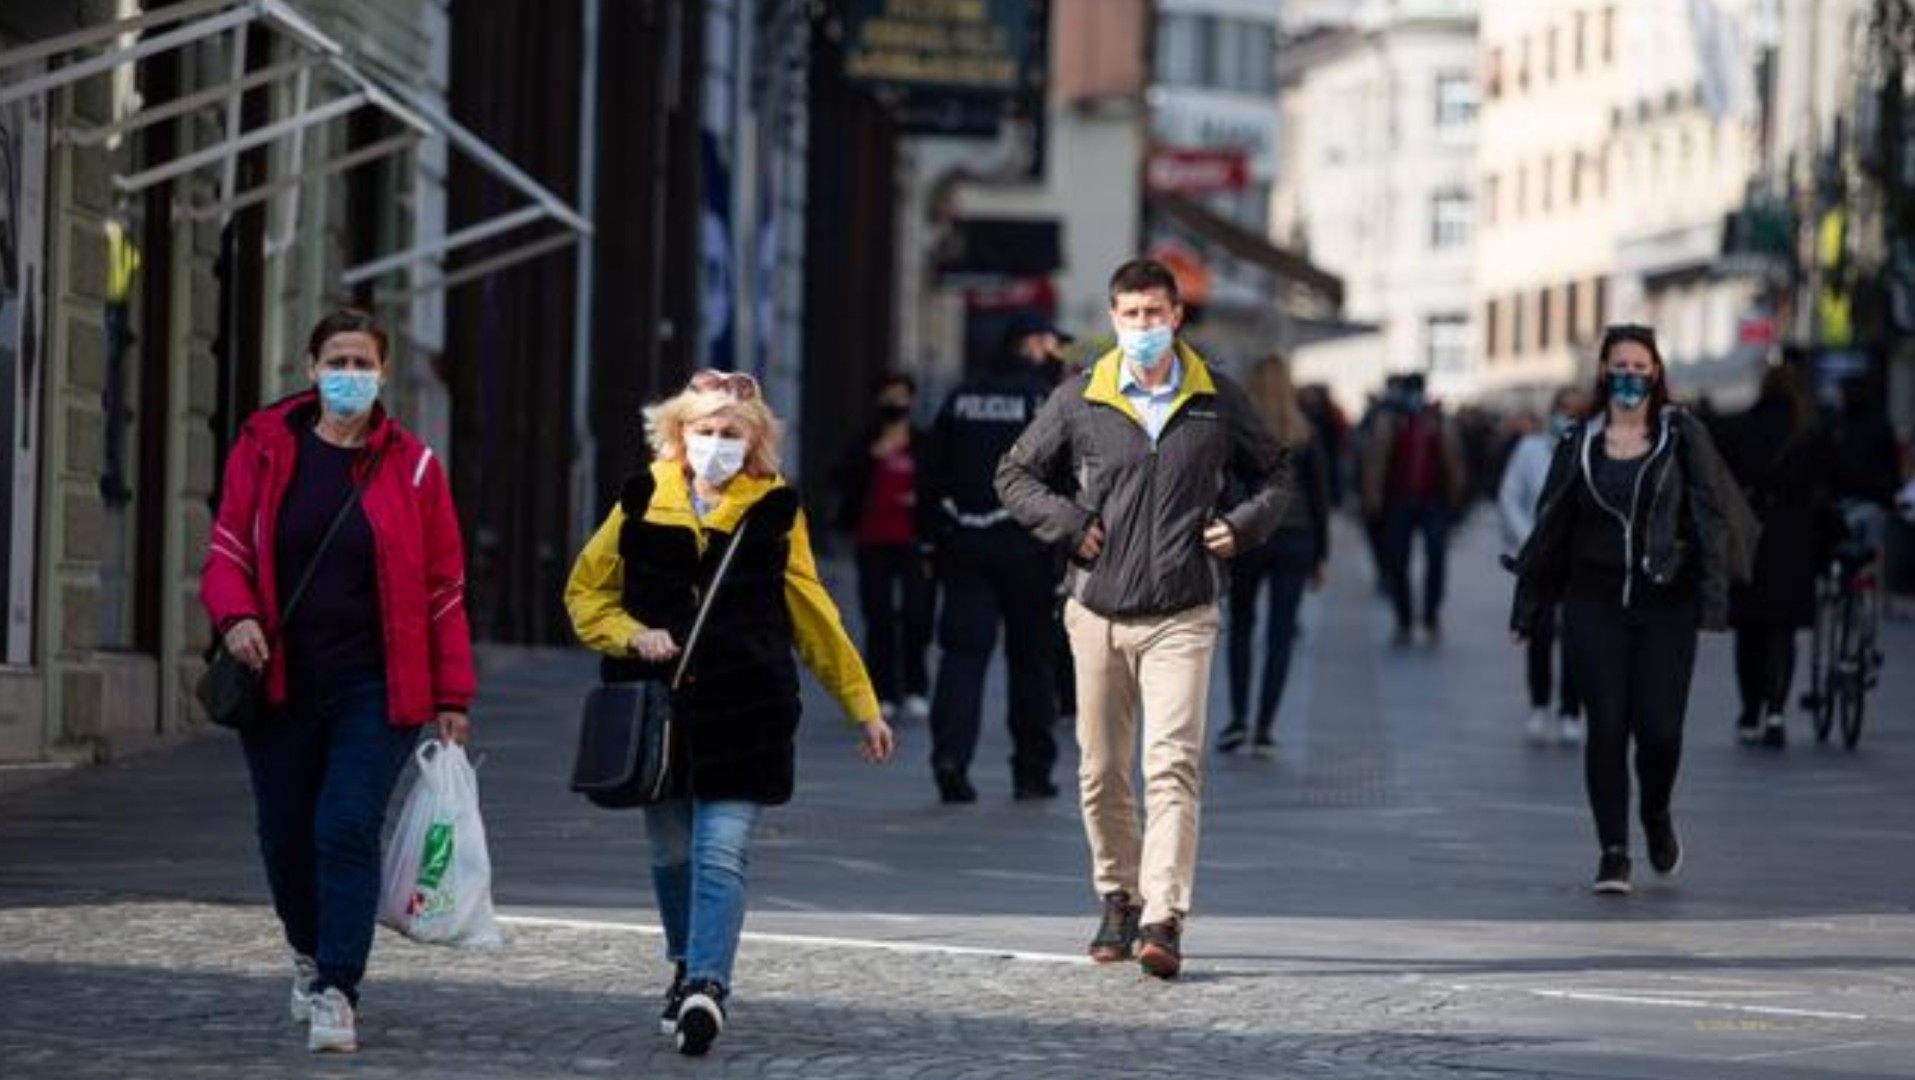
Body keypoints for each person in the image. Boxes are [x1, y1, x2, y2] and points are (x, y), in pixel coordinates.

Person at [563, 370, 895, 1056]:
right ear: (679, 435)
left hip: (748, 707)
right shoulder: (640, 498)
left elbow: (813, 614)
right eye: (704, 431)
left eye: (730, 433)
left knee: (719, 852)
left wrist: (862, 703)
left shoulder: (774, 509)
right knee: (672, 853)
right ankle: (686, 965)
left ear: (754, 442)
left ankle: (707, 987)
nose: (716, 443)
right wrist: (631, 634)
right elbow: (585, 593)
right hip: (657, 712)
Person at [996, 258, 1290, 979]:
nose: (1142, 328)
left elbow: (1278, 469)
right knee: (1101, 771)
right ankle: (1117, 897)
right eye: (1129, 316)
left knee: (1171, 765)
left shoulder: (1215, 397)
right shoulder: (1080, 397)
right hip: (1095, 609)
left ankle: (1163, 917)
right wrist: (1066, 523)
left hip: (1183, 610)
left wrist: (1244, 525)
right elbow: (1013, 474)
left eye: (1154, 315)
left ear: (1176, 317)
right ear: (1113, 318)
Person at [199, 308, 475, 1054]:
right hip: (279, 681)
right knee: (286, 837)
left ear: (382, 374)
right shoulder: (263, 446)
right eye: (337, 362)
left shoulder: (413, 467)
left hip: (376, 688)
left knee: (346, 824)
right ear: (311, 368)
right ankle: (309, 952)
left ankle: (337, 988)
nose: (349, 376)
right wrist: (235, 620)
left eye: (362, 364)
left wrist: (452, 697)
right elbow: (225, 550)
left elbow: (443, 587)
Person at [1508, 324, 1754, 895]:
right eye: (1619, 365)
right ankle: (1613, 850)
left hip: (1666, 602)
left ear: (1657, 373)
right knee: (1608, 727)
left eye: (1641, 367)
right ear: (1602, 373)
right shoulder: (1578, 443)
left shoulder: (1680, 434)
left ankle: (1657, 815)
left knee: (1660, 731)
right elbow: (1549, 529)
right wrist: (1528, 609)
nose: (1629, 377)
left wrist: (1714, 602)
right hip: (1593, 605)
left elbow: (1710, 515)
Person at [919, 313, 1065, 803]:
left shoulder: (962, 398)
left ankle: (950, 757)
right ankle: (1032, 771)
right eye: (1048, 340)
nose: (1054, 351)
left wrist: (929, 541)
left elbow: (931, 471)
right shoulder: (1045, 400)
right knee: (1032, 664)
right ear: (1028, 344)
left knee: (962, 658)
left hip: (965, 545)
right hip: (1030, 549)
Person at [1216, 354, 1328, 758]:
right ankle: (1265, 729)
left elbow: (1222, 487)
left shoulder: (1238, 431)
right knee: (1281, 637)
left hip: (1248, 539)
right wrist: (1322, 556)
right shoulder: (1305, 433)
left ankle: (1237, 720)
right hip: (1296, 541)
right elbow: (1319, 498)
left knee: (1241, 628)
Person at [1721, 364, 1828, 749]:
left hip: (1751, 533)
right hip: (1794, 538)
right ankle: (1777, 711)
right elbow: (1827, 482)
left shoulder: (1742, 426)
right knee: (1782, 630)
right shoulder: (1807, 431)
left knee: (1749, 630)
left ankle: (1750, 712)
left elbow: (1723, 477)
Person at [830, 373, 932, 725]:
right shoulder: (865, 440)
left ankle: (916, 688)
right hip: (872, 540)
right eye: (889, 396)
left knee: (917, 615)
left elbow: (938, 483)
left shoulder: (922, 442)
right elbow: (840, 478)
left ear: (911, 400)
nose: (896, 403)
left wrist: (920, 501)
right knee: (879, 616)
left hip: (913, 541)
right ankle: (883, 691)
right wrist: (873, 456)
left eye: (901, 396)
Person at [1497, 386, 1592, 746]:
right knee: (1537, 631)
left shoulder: (1592, 448)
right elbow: (1509, 496)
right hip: (1540, 555)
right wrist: (1530, 540)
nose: (1566, 416)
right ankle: (1539, 703)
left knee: (1576, 635)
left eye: (1574, 411)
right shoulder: (1530, 449)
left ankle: (1571, 710)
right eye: (1562, 409)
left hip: (1578, 557)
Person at [1361, 371, 1468, 644]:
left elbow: (1455, 460)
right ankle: (1404, 618)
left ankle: (1430, 614)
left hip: (1433, 501)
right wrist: (1373, 499)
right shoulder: (1391, 420)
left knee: (1436, 556)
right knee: (1398, 560)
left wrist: (1456, 503)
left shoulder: (1438, 420)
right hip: (1399, 500)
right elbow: (1374, 461)